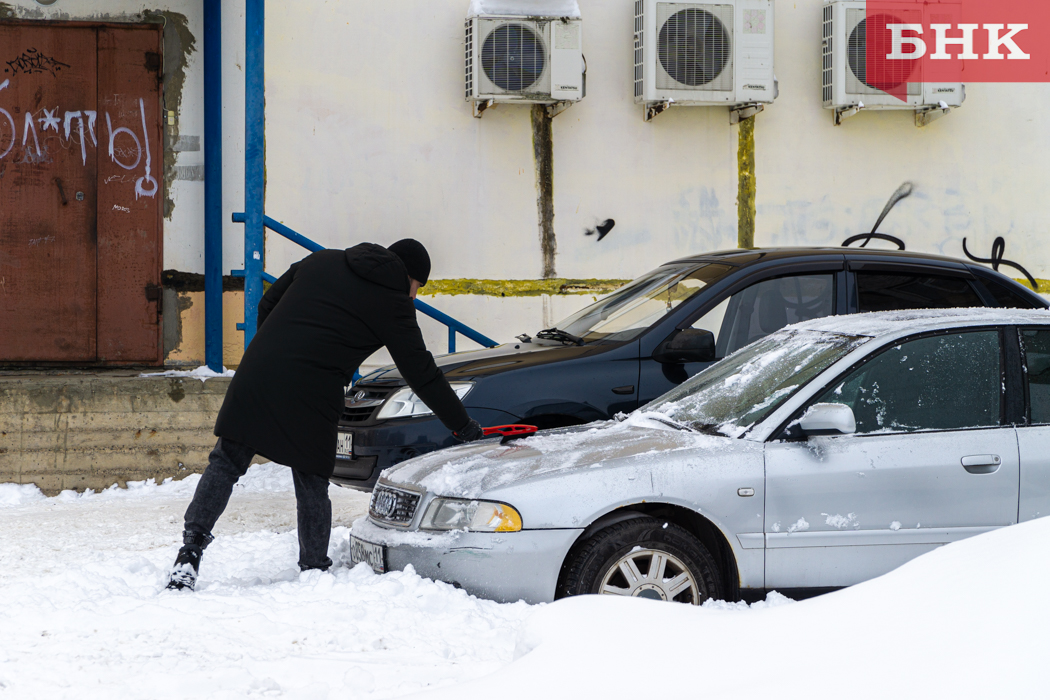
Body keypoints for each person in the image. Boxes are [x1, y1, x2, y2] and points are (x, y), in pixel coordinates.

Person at [167, 239, 483, 591]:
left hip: (262, 370)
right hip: (314, 388)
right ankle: (314, 569)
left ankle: (189, 552)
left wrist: (278, 347)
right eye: (417, 288)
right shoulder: (393, 304)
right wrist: (462, 425)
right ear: (408, 276)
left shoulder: (323, 260)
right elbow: (422, 372)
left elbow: (270, 301)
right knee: (312, 478)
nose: (413, 297)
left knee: (226, 462)